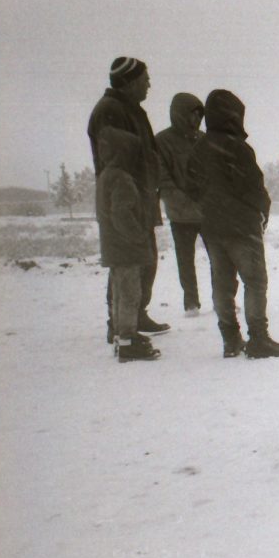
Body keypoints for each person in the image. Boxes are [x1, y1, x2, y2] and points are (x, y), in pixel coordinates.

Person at [185, 89, 279, 359]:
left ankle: (230, 340)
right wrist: (261, 208)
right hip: (242, 226)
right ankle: (258, 338)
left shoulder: (199, 147)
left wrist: (210, 206)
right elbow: (252, 186)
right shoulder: (238, 148)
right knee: (254, 281)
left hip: (211, 226)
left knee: (222, 283)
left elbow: (191, 186)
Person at [87, 56, 171, 343]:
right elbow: (118, 156)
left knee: (143, 260)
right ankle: (120, 323)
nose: (149, 84)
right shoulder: (110, 110)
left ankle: (135, 314)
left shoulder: (132, 109)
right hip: (126, 199)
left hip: (140, 196)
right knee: (126, 264)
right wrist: (130, 192)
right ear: (129, 82)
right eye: (145, 79)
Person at [95, 127, 161, 362]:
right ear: (123, 152)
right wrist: (139, 236)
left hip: (113, 247)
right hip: (126, 249)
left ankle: (120, 339)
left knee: (118, 294)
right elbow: (122, 214)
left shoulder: (106, 175)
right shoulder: (122, 178)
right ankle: (128, 341)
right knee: (130, 295)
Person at [155, 93, 207, 316]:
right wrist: (185, 202)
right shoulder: (162, 141)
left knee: (220, 258)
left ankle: (223, 298)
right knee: (185, 260)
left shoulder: (205, 139)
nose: (195, 119)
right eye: (191, 114)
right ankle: (191, 302)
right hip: (181, 214)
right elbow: (163, 179)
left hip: (207, 212)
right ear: (179, 114)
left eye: (199, 115)